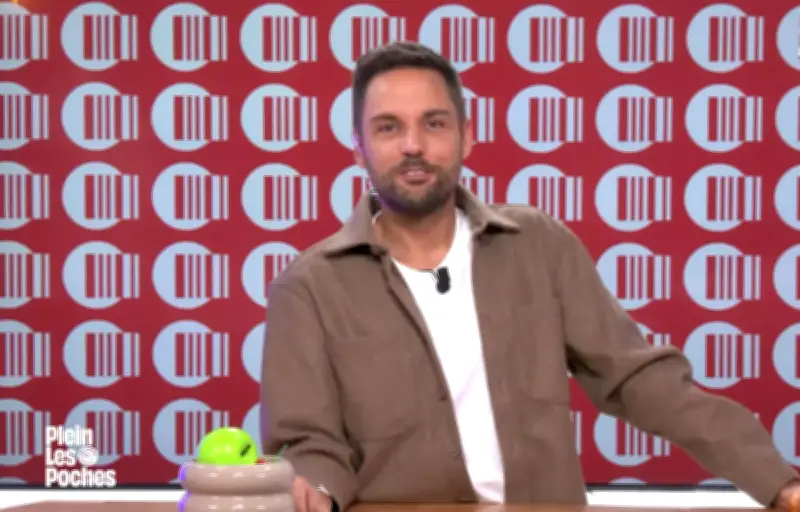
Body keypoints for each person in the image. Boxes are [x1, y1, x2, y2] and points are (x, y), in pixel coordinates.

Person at [260, 41, 800, 512]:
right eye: (388, 127)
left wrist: (778, 483)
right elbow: (308, 446)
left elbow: (639, 381)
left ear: (466, 136)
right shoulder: (307, 288)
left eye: (434, 123)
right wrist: (316, 491)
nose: (413, 146)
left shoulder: (539, 245)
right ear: (358, 147)